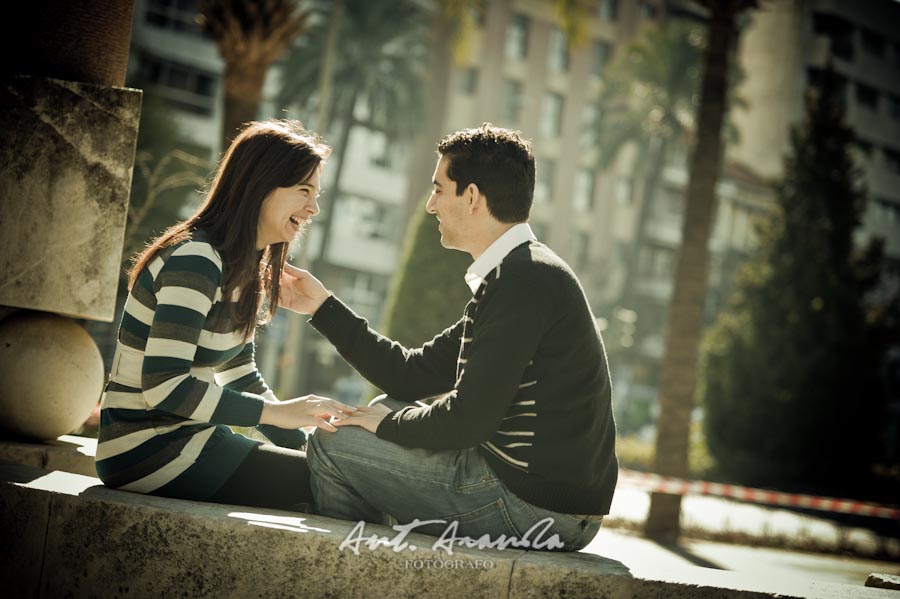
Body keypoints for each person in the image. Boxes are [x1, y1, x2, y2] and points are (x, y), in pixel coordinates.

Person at [280, 123, 618, 550]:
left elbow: (468, 420)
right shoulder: (518, 275)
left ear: (472, 196)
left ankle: (355, 576)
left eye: (439, 190)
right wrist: (322, 307)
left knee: (333, 441)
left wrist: (387, 425)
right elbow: (411, 375)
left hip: (534, 507)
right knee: (383, 409)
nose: (430, 205)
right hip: (538, 498)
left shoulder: (523, 281)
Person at [95, 120, 354, 512]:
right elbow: (165, 385)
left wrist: (306, 445)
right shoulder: (197, 258)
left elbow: (241, 375)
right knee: (336, 493)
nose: (313, 208)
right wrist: (278, 414)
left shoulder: (242, 266)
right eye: (304, 190)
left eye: (316, 194)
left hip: (190, 443)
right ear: (260, 185)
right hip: (147, 451)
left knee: (338, 478)